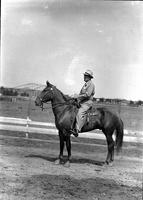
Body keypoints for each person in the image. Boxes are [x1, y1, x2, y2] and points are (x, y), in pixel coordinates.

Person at [71, 69, 95, 137]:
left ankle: (77, 130)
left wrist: (78, 96)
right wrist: (76, 98)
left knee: (80, 112)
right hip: (82, 102)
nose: (84, 76)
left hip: (87, 103)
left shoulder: (91, 84)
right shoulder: (86, 84)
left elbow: (88, 94)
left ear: (89, 77)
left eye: (86, 75)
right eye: (84, 75)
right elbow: (82, 94)